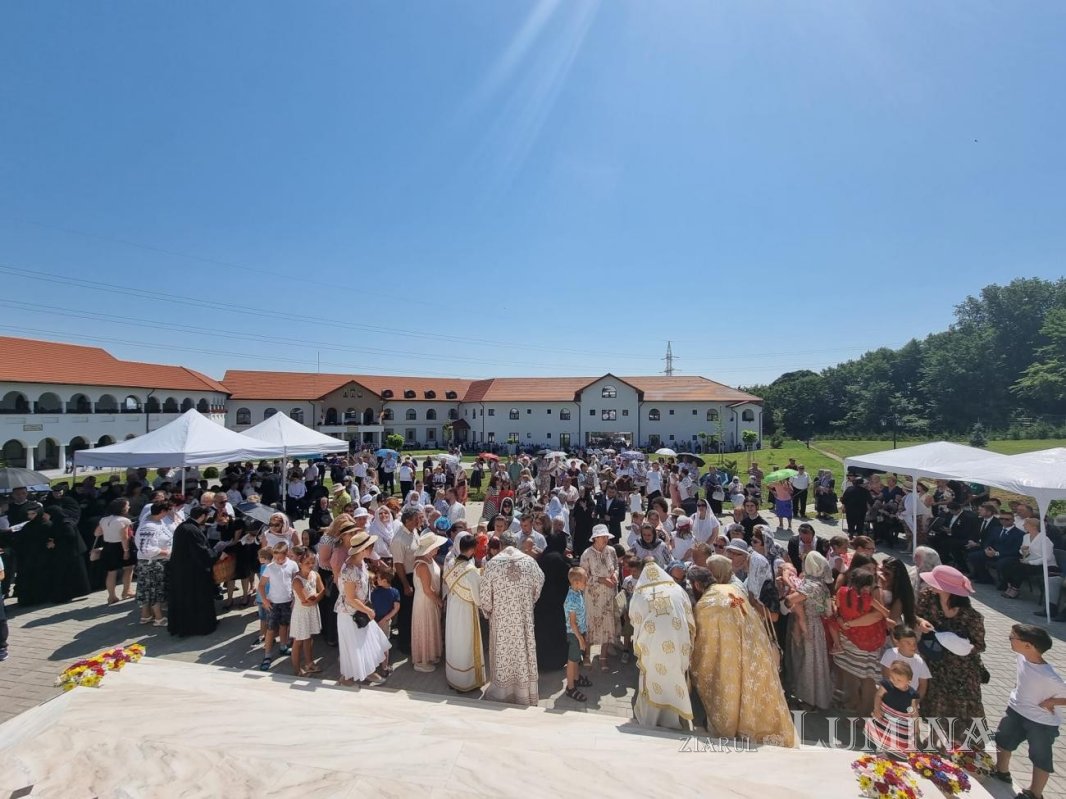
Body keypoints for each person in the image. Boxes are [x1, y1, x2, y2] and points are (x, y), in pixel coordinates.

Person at [691, 555, 797, 746]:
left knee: (731, 693)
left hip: (730, 658)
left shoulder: (708, 603)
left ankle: (731, 728)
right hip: (754, 652)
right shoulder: (733, 590)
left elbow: (703, 644)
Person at [917, 565, 987, 745]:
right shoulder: (928, 597)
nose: (930, 585)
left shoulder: (971, 616)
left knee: (958, 709)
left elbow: (979, 645)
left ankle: (955, 745)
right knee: (935, 702)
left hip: (961, 671)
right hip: (935, 662)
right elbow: (915, 615)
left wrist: (957, 643)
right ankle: (933, 740)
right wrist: (921, 622)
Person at [994, 624, 1065, 799]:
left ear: (1029, 645)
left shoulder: (1050, 676)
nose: (1010, 639)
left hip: (1041, 722)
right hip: (1016, 709)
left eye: (1013, 637)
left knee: (1040, 756)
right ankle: (1001, 771)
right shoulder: (1021, 657)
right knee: (1003, 739)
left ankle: (1034, 793)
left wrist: (1052, 702)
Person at [479, 531, 545, 706]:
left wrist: (488, 611)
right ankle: (524, 693)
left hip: (501, 619)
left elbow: (484, 594)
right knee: (523, 652)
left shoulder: (493, 564)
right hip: (523, 617)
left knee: (503, 653)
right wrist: (530, 601)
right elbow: (540, 581)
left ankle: (501, 694)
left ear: (501, 545)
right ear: (516, 544)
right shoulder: (529, 561)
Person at [630, 561, 696, 729]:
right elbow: (689, 618)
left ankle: (650, 719)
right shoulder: (677, 589)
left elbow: (635, 619)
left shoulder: (641, 592)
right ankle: (671, 720)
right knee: (672, 676)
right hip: (676, 641)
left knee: (652, 677)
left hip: (652, 644)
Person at [335, 530, 390, 686]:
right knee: (354, 647)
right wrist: (368, 610)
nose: (373, 549)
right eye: (370, 547)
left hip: (360, 612)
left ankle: (368, 671)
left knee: (368, 642)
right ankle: (347, 678)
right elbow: (350, 598)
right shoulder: (349, 569)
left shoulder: (361, 563)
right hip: (351, 614)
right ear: (363, 550)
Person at [784, 551, 834, 711]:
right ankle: (816, 698)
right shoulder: (823, 586)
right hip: (817, 624)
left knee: (805, 661)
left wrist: (792, 590)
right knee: (816, 662)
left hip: (805, 624)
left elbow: (790, 601)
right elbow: (828, 612)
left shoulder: (809, 585)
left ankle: (809, 700)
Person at [167, 506, 219, 638]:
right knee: (198, 599)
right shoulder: (193, 530)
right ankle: (199, 626)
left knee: (184, 600)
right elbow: (202, 552)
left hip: (181, 571)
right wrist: (217, 555)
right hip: (194, 572)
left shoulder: (183, 527)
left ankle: (183, 627)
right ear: (202, 516)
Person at [443, 534, 486, 692]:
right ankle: (466, 682)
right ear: (473, 549)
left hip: (453, 606)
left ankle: (453, 677)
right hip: (466, 611)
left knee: (454, 641)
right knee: (466, 642)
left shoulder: (451, 563)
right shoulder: (470, 570)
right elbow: (477, 596)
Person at [579, 525, 620, 671]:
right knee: (591, 625)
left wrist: (615, 575)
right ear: (595, 538)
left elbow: (616, 567)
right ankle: (587, 655)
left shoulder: (611, 551)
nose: (606, 539)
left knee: (607, 626)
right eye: (603, 537)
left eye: (606, 536)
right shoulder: (587, 554)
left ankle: (603, 657)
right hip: (593, 597)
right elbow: (583, 576)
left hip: (609, 595)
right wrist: (601, 580)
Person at [533, 531, 572, 671]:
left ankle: (541, 663)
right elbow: (568, 578)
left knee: (542, 633)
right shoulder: (559, 560)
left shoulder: (543, 557)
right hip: (555, 605)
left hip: (541, 604)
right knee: (556, 633)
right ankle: (555, 662)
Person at [864, 660, 920, 754]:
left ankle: (891, 751)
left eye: (899, 680)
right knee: (880, 733)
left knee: (898, 738)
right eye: (892, 678)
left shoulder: (911, 694)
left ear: (909, 681)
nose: (895, 681)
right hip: (884, 715)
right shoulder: (887, 685)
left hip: (900, 720)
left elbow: (914, 711)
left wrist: (916, 726)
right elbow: (878, 696)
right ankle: (880, 750)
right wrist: (876, 708)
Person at [258, 542, 299, 670]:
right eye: (275, 558)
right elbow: (261, 585)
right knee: (271, 629)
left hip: (287, 601)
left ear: (286, 554)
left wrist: (295, 598)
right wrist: (265, 600)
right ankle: (267, 655)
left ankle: (283, 646)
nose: (278, 560)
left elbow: (296, 582)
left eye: (280, 558)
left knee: (284, 625)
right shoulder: (269, 567)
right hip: (273, 603)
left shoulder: (293, 565)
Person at [411, 532, 446, 672]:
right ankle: (421, 661)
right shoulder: (422, 565)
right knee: (425, 629)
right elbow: (427, 590)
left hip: (430, 600)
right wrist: (439, 601)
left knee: (431, 627)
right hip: (425, 601)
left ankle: (430, 655)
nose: (438, 548)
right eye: (435, 547)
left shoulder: (430, 559)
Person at [390, 506, 423, 654]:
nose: (419, 521)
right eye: (416, 518)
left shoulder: (414, 531)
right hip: (404, 577)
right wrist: (406, 585)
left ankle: (412, 639)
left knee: (413, 611)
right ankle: (404, 644)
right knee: (405, 613)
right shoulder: (398, 539)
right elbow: (398, 564)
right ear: (407, 520)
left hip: (414, 575)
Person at [135, 501, 172, 626]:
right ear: (162, 511)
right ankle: (159, 618)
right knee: (155, 590)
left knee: (147, 590)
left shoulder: (156, 521)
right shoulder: (149, 526)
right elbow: (146, 549)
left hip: (155, 562)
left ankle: (145, 615)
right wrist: (166, 552)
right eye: (167, 511)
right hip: (152, 563)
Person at [290, 546, 325, 676]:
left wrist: (315, 598)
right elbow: (305, 600)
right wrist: (315, 598)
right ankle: (296, 669)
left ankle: (309, 664)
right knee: (298, 641)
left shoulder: (315, 575)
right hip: (301, 614)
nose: (310, 565)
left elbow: (322, 590)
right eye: (307, 563)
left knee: (309, 638)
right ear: (300, 563)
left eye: (312, 562)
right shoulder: (297, 580)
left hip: (311, 611)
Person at [94, 497, 136, 604]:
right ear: (122, 508)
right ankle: (127, 591)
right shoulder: (124, 521)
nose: (129, 507)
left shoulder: (104, 519)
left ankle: (111, 596)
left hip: (108, 546)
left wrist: (108, 530)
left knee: (111, 572)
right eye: (127, 505)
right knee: (128, 568)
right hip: (120, 546)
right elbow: (124, 537)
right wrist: (126, 551)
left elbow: (97, 533)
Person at [562, 566, 591, 702]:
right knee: (572, 661)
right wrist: (580, 639)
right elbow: (573, 623)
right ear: (576, 583)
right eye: (585, 581)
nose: (587, 583)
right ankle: (570, 687)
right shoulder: (571, 599)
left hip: (579, 632)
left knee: (576, 658)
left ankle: (576, 678)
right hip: (574, 634)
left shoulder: (577, 592)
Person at [881, 624, 930, 703]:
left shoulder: (920, 662)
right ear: (897, 642)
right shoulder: (890, 654)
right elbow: (886, 676)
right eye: (908, 643)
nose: (913, 646)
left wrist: (915, 702)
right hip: (889, 698)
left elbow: (923, 685)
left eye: (914, 643)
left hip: (908, 702)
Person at [370, 567, 400, 675]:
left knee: (373, 643)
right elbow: (396, 608)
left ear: (384, 581)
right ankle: (385, 667)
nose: (376, 579)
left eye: (378, 578)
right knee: (384, 644)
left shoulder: (375, 592)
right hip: (385, 621)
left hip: (373, 620)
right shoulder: (395, 592)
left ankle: (373, 667)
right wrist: (386, 619)